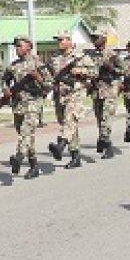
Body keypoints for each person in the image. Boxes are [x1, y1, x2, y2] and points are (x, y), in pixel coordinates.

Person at [0, 36, 51, 179]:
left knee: (26, 131)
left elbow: (49, 84)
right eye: (16, 46)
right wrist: (5, 90)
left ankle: (19, 157)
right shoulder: (13, 65)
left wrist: (38, 78)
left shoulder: (38, 63)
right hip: (18, 104)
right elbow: (4, 80)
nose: (17, 49)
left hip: (34, 102)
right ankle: (34, 166)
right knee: (26, 136)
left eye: (20, 45)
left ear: (28, 47)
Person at [46, 30, 92, 169]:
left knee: (69, 120)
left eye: (62, 40)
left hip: (75, 93)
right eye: (58, 40)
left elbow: (94, 71)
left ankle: (61, 145)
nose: (59, 43)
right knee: (68, 124)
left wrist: (81, 72)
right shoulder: (54, 58)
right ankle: (75, 156)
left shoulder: (80, 56)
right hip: (59, 95)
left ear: (69, 40)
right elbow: (49, 75)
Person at [85, 29, 124, 160]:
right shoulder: (91, 56)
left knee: (106, 120)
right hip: (96, 91)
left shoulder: (112, 54)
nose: (94, 40)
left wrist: (111, 68)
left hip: (109, 91)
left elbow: (123, 70)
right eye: (92, 38)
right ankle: (103, 140)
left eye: (97, 38)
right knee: (99, 119)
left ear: (104, 39)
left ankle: (107, 146)